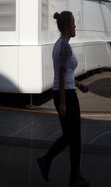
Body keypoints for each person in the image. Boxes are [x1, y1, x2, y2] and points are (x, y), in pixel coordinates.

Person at [37, 11, 90, 187]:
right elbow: (60, 74)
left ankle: (75, 176)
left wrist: (78, 84)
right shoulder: (65, 47)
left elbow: (65, 73)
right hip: (65, 94)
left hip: (64, 90)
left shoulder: (58, 44)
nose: (75, 27)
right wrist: (63, 103)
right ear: (67, 25)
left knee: (72, 138)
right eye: (73, 23)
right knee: (72, 137)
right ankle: (48, 160)